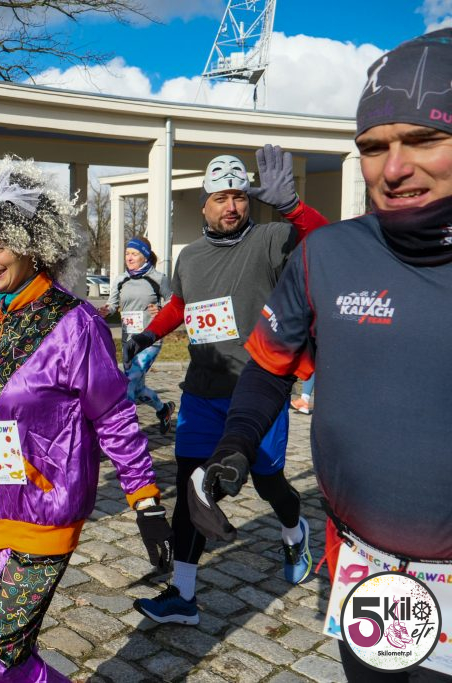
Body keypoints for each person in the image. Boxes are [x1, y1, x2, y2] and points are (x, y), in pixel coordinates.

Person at [188, 30, 452, 681]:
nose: (393, 168)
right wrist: (235, 444)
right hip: (362, 566)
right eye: (373, 148)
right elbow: (268, 367)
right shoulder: (328, 254)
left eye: (423, 139)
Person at [0, 157, 173, 683]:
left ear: (31, 242)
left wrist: (146, 502)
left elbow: (115, 416)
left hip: (43, 510)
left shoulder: (76, 324)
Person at [129, 144, 330, 626]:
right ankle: (182, 594)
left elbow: (326, 243)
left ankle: (293, 529)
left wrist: (292, 207)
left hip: (258, 390)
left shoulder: (271, 239)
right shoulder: (191, 256)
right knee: (191, 486)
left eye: (239, 196)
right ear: (204, 204)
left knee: (267, 480)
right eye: (221, 198)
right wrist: (149, 334)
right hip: (201, 391)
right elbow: (181, 305)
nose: (232, 206)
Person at [98, 236, 175, 434]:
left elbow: (172, 303)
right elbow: (112, 304)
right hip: (129, 341)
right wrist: (106, 310)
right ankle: (164, 410)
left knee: (129, 382)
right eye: (127, 253)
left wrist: (161, 310)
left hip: (150, 340)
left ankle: (126, 431)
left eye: (134, 254)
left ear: (145, 256)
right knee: (138, 389)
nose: (129, 257)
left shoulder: (158, 278)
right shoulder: (121, 279)